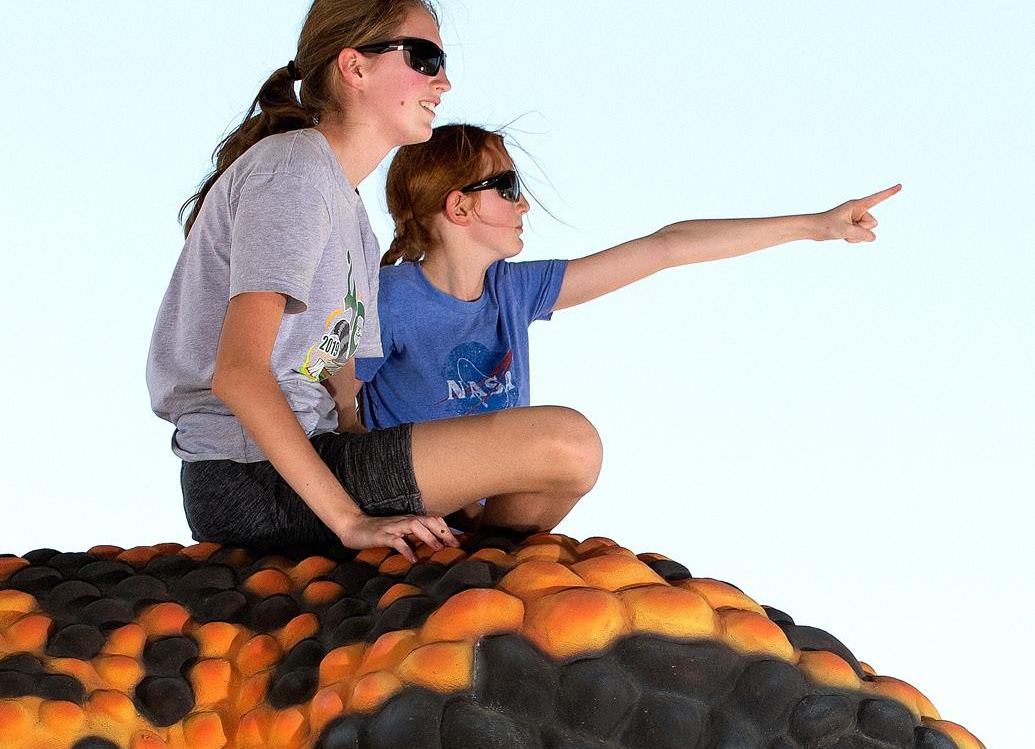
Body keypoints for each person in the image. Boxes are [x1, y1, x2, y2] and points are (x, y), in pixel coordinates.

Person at [147, 0, 602, 562]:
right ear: (355, 67)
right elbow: (238, 374)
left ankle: (464, 570)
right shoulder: (292, 172)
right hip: (247, 477)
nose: (444, 82)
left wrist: (442, 480)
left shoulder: (352, 214)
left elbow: (341, 392)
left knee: (559, 462)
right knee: (566, 442)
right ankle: (470, 572)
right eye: (425, 59)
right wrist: (352, 520)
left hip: (317, 456)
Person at [358, 125, 900, 494]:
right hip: (403, 488)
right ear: (458, 206)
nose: (523, 204)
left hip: (479, 508)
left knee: (572, 467)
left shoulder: (514, 290)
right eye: (507, 186)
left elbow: (666, 247)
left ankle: (495, 549)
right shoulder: (390, 298)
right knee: (567, 436)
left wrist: (816, 226)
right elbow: (336, 412)